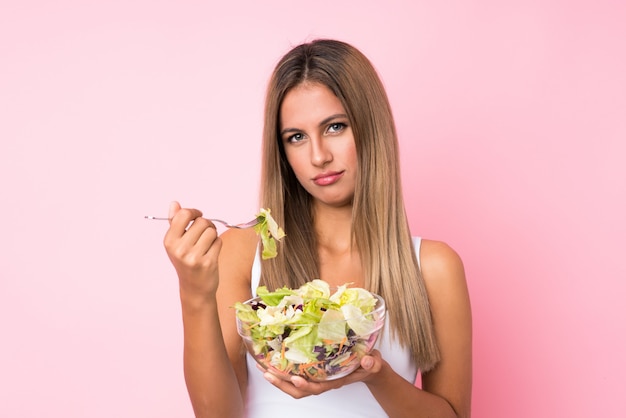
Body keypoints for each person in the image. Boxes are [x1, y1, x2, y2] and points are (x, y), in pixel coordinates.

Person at [162, 39, 472, 418]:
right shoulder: (243, 253)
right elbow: (216, 414)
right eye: (296, 137)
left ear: (371, 128)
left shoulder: (434, 267)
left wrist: (373, 373)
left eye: (336, 127)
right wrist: (194, 293)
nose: (318, 156)